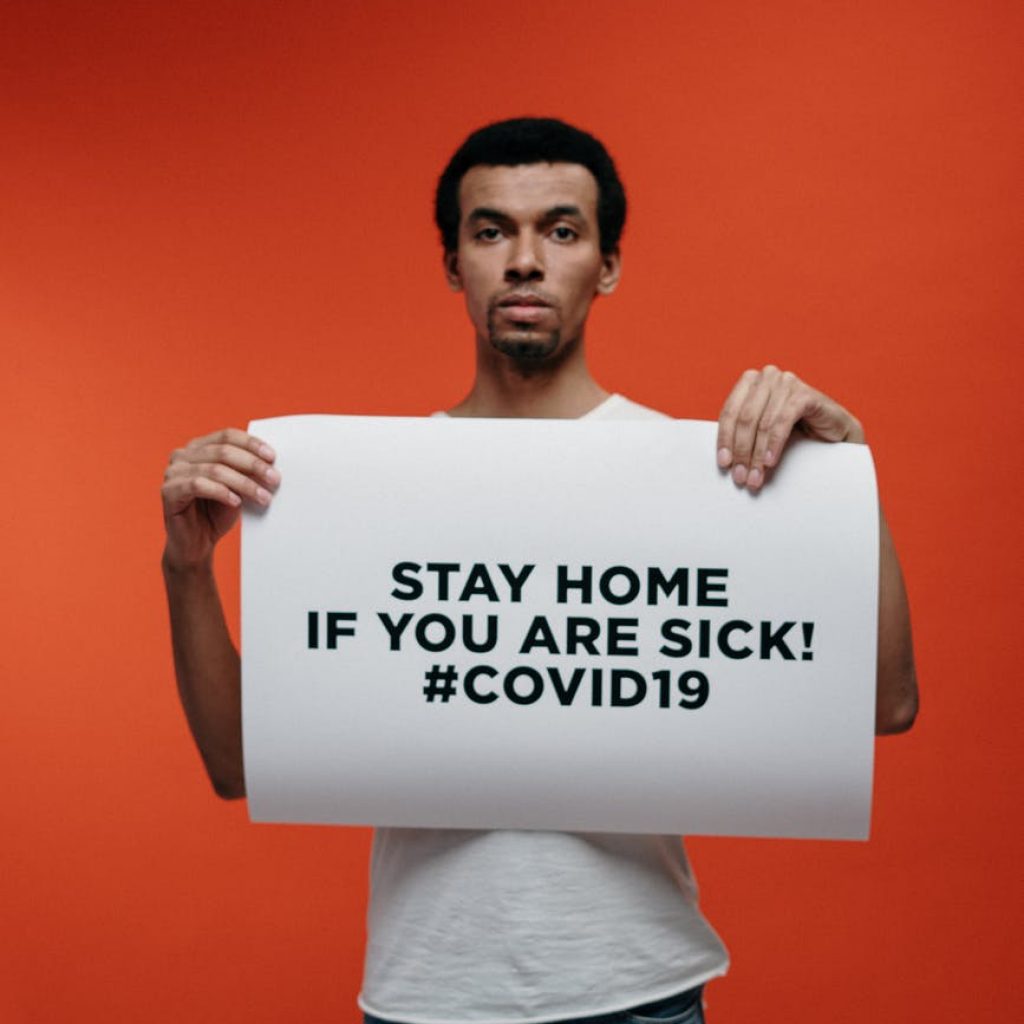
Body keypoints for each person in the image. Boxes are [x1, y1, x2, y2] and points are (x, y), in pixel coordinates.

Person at [161, 118, 918, 1024]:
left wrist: (847, 481)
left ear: (607, 265)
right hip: (425, 996)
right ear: (454, 265)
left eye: (561, 231)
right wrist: (188, 565)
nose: (525, 260)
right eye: (492, 231)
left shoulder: (704, 477)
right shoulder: (361, 492)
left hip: (641, 991)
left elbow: (885, 704)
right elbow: (238, 765)